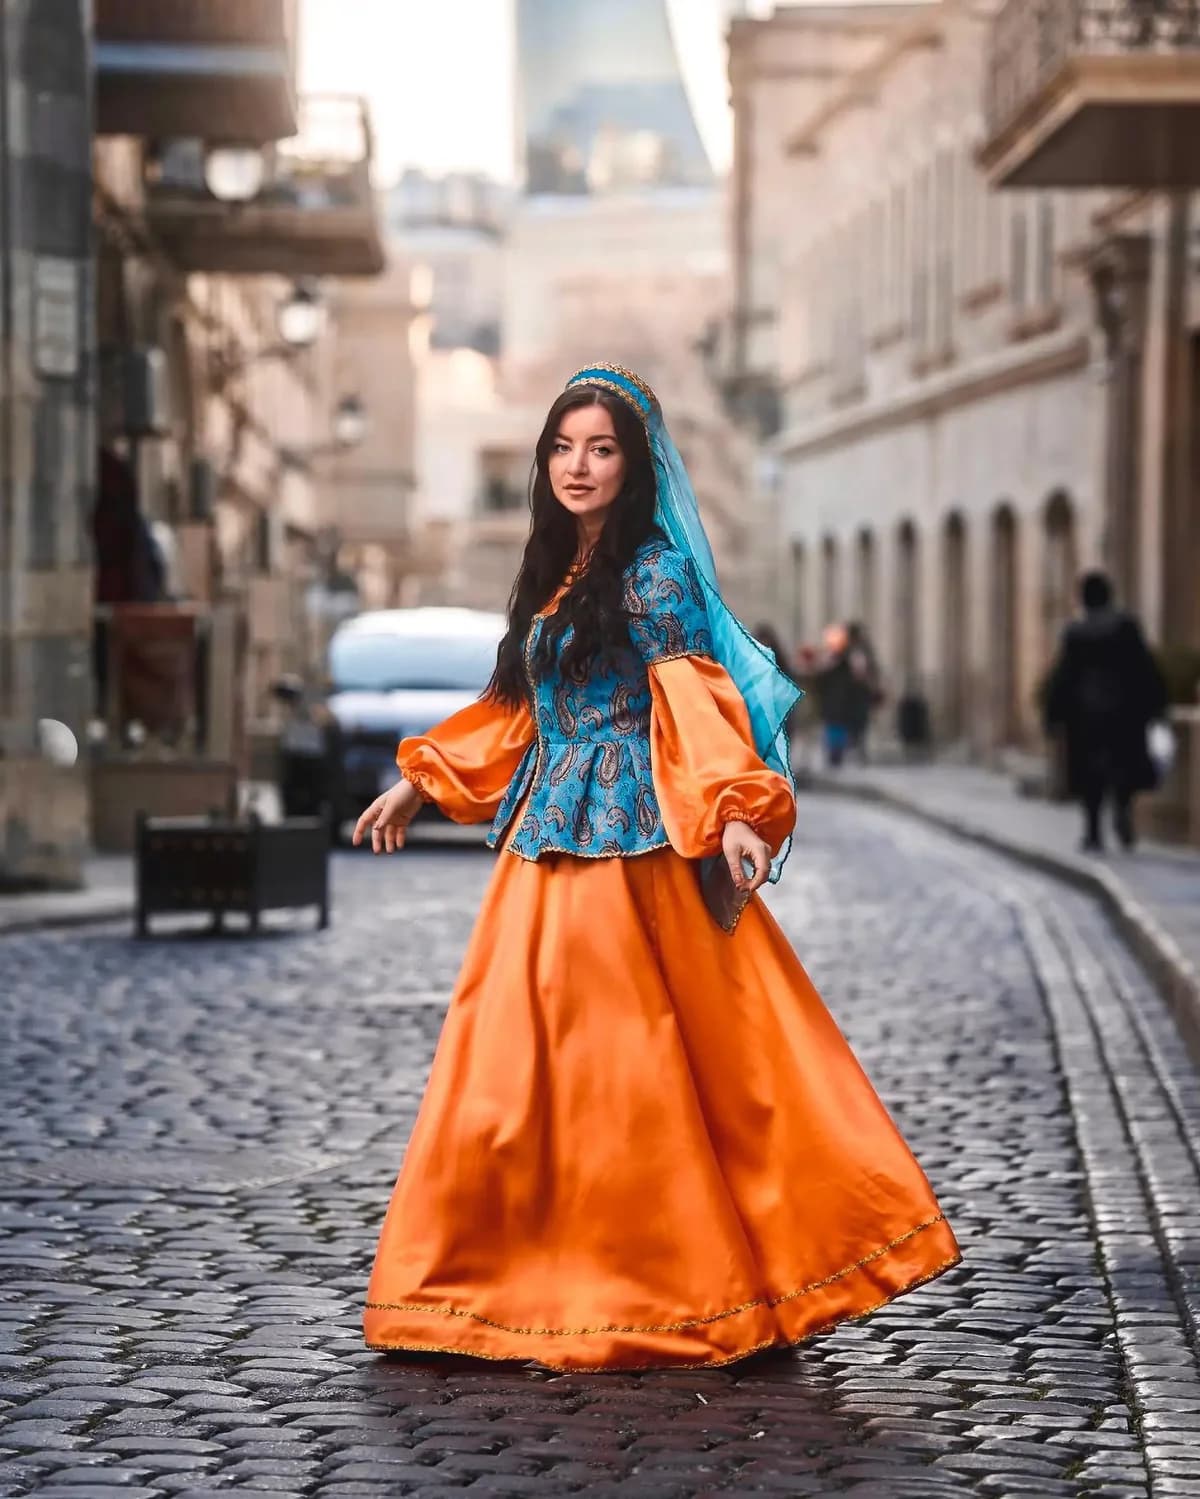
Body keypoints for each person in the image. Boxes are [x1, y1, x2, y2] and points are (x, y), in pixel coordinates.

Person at [353, 363, 959, 1372]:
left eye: (601, 448)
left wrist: (732, 811)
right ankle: (496, 1283)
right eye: (562, 447)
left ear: (634, 465)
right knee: (510, 1063)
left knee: (621, 1068)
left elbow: (693, 698)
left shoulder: (651, 572)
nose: (577, 466)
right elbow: (519, 707)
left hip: (629, 849)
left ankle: (658, 1287)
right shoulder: (559, 571)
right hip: (546, 849)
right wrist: (423, 779)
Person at [1044, 570, 1167, 852]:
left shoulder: (1076, 632)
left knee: (1089, 775)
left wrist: (1053, 715)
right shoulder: (1127, 626)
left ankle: (1093, 831)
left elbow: (1063, 676)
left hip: (1085, 714)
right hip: (1125, 711)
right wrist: (1157, 705)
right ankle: (1123, 812)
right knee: (1124, 767)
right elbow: (1144, 668)